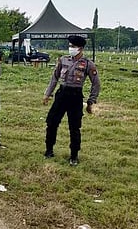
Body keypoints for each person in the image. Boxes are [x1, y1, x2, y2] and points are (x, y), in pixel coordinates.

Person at [42, 35, 100, 166]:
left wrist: (91, 101)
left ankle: (74, 156)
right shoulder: (63, 60)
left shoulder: (88, 64)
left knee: (74, 127)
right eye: (70, 46)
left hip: (75, 96)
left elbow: (96, 84)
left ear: (80, 48)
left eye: (73, 46)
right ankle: (49, 150)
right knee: (51, 122)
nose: (70, 48)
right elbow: (54, 78)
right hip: (62, 94)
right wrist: (47, 94)